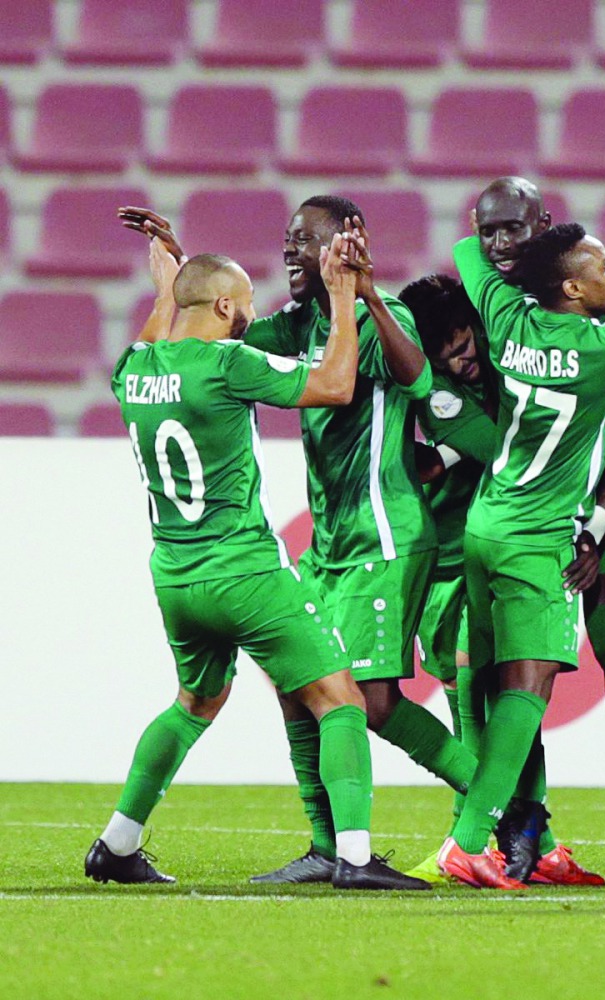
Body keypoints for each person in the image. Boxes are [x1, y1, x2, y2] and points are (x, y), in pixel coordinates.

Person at [120, 200, 476, 884]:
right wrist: (181, 267)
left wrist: (363, 295)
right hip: (330, 541)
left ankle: (501, 812)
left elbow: (418, 380)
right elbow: (209, 339)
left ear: (346, 245)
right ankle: (325, 845)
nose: (289, 253)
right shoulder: (292, 325)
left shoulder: (386, 315)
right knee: (297, 688)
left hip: (384, 531)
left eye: (304, 241)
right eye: (286, 240)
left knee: (367, 701)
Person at [437, 223, 605, 889]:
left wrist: (510, 256)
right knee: (527, 689)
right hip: (538, 539)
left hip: (484, 525)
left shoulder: (507, 320)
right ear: (572, 287)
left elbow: (464, 254)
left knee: (488, 681)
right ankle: (469, 840)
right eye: (600, 267)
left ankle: (514, 838)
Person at [400, 273, 604, 887]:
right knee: (482, 698)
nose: (461, 360)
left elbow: (496, 446)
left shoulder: (513, 369)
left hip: (495, 553)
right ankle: (525, 835)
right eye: (447, 354)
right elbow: (494, 445)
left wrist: (449, 456)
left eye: (466, 343)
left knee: (502, 693)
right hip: (443, 557)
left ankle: (489, 836)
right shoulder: (432, 389)